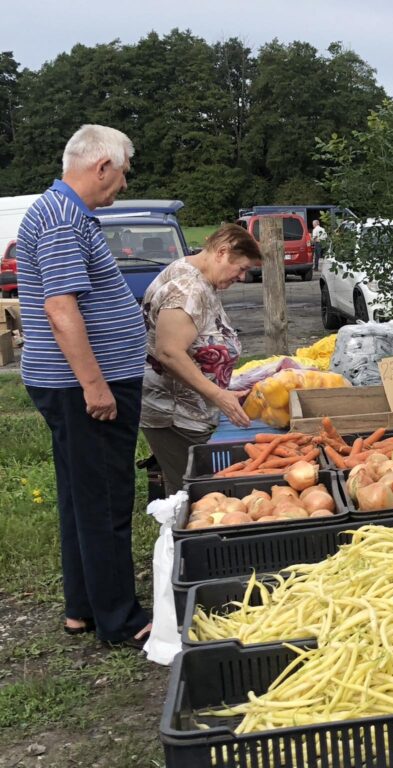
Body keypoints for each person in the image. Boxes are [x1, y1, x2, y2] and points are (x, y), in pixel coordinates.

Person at [17, 124, 152, 648]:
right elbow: (60, 308)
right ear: (102, 167)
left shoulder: (66, 213)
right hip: (85, 389)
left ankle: (83, 607)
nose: (122, 186)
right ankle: (120, 620)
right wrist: (96, 386)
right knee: (105, 501)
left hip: (77, 384)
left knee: (81, 495)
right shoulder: (60, 219)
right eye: (122, 175)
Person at [140, 224, 263, 495]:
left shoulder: (199, 278)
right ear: (222, 252)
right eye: (241, 268)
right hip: (177, 416)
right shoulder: (187, 289)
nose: (242, 278)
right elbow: (169, 352)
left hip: (190, 411)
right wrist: (218, 395)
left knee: (195, 488)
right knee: (194, 493)